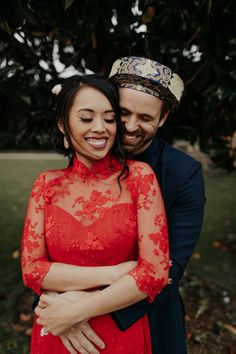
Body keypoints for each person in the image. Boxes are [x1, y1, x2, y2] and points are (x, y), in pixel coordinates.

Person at [38, 57, 205, 354]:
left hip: (145, 314)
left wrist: (81, 309)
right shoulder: (91, 149)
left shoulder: (184, 174)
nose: (130, 126)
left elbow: (169, 269)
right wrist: (57, 298)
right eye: (123, 113)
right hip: (67, 308)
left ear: (163, 118)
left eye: (145, 118)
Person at [21, 74, 170, 353]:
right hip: (58, 333)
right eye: (87, 118)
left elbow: (154, 274)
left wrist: (74, 312)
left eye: (110, 119)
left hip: (113, 330)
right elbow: (33, 271)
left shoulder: (139, 178)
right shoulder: (46, 184)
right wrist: (116, 273)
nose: (100, 128)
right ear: (63, 124)